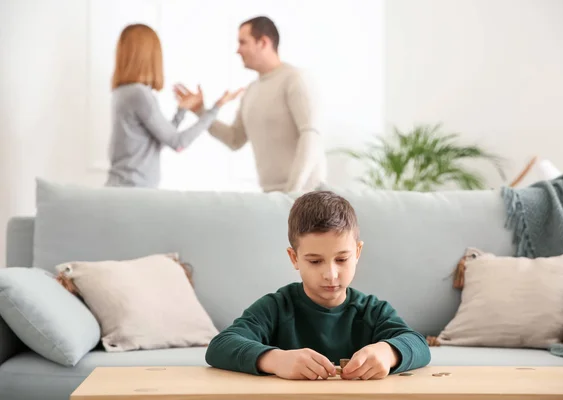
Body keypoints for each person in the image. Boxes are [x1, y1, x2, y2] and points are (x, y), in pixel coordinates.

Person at [204, 190, 431, 380]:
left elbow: (418, 345)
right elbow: (220, 346)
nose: (330, 274)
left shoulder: (373, 311)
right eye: (315, 261)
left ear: (358, 252)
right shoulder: (275, 307)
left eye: (341, 259)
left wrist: (388, 352)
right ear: (294, 258)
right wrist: (274, 360)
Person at [175, 16, 327, 193]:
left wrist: (294, 192)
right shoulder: (251, 91)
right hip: (273, 196)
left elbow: (311, 135)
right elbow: (234, 139)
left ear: (263, 42)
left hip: (307, 195)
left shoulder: (295, 79)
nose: (238, 50)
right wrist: (201, 112)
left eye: (243, 42)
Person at [106, 23, 241, 188]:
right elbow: (178, 143)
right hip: (133, 192)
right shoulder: (139, 94)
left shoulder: (123, 92)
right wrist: (216, 108)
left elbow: (160, 139)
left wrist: (181, 111)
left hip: (124, 189)